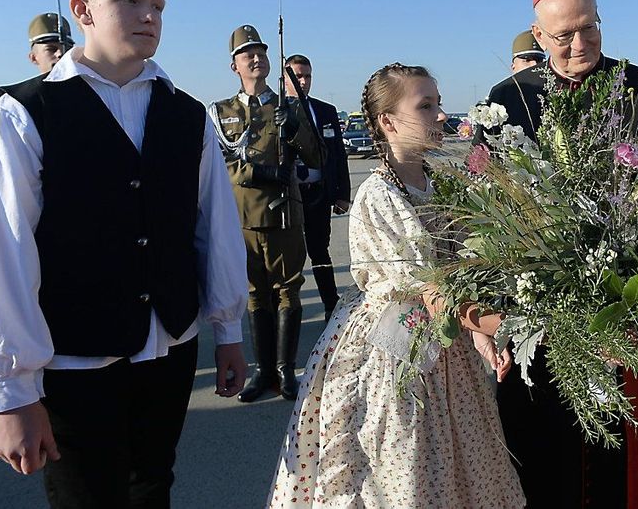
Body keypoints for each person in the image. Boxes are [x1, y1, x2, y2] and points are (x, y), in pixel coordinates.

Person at [0, 0, 248, 507]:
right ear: (83, 10)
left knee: (153, 487)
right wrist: (11, 393)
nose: (149, 16)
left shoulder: (187, 114)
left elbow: (212, 229)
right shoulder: (22, 115)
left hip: (169, 348)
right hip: (74, 361)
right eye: (129, 0)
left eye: (158, 5)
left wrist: (228, 332)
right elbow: (0, 256)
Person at [268, 63, 525, 508]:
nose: (441, 115)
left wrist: (482, 336)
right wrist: (512, 324)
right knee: (404, 472)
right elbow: (432, 288)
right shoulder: (378, 194)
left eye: (438, 104)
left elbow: (463, 270)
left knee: (462, 468)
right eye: (425, 105)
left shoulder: (441, 184)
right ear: (387, 121)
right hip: (396, 354)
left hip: (447, 346)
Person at [482, 0, 638, 507]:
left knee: (623, 441)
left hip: (622, 295)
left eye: (589, 29)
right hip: (542, 306)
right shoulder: (508, 100)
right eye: (564, 36)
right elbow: (492, 207)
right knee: (548, 446)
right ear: (539, 38)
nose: (580, 45)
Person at [210, 26, 323, 403]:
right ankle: (262, 372)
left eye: (260, 51)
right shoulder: (221, 112)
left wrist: (295, 132)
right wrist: (260, 172)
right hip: (243, 218)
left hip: (284, 216)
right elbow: (220, 163)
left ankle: (286, 371)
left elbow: (315, 156)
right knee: (256, 295)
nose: (255, 58)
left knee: (289, 291)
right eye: (247, 54)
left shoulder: (289, 106)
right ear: (234, 65)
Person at [283, 53, 351, 323]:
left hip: (318, 194)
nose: (303, 81)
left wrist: (342, 194)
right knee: (290, 255)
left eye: (307, 75)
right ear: (285, 77)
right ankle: (289, 308)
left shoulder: (325, 111)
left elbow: (338, 154)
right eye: (297, 75)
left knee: (319, 250)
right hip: (289, 197)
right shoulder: (276, 111)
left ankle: (330, 304)